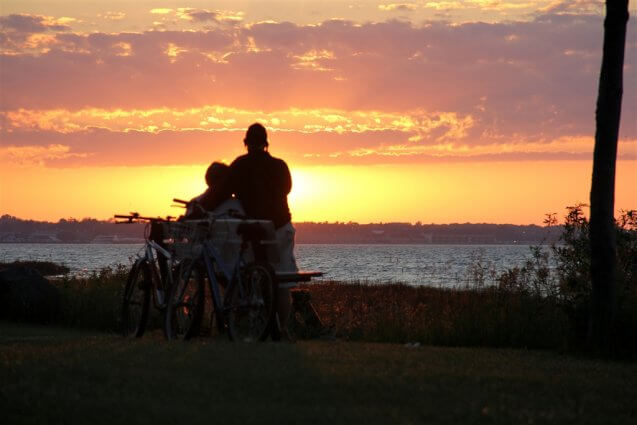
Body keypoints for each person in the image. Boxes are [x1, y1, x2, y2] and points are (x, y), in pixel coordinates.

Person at [225, 123, 298, 339]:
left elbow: (222, 192)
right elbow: (287, 189)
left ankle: (252, 324)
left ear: (246, 142)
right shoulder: (280, 166)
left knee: (253, 276)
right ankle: (281, 329)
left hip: (255, 231)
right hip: (280, 228)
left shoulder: (240, 166)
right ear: (266, 142)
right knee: (282, 281)